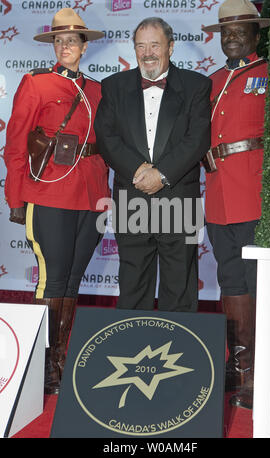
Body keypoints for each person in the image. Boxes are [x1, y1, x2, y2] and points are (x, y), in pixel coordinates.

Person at [4, 8, 110, 394]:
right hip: (48, 191)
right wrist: (16, 197)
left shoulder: (98, 90)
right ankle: (44, 365)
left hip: (91, 195)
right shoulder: (35, 84)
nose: (66, 46)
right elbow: (16, 144)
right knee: (52, 279)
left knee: (73, 279)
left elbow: (105, 146)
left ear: (84, 46)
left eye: (73, 40)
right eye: (59, 40)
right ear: (54, 46)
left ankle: (61, 359)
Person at [94, 17, 211, 313]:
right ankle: (132, 352)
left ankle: (181, 354)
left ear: (170, 47)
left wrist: (161, 174)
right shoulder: (113, 86)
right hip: (131, 197)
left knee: (180, 287)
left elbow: (197, 139)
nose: (148, 52)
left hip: (180, 198)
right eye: (140, 45)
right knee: (133, 285)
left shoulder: (197, 86)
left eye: (155, 45)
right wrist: (138, 171)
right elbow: (107, 138)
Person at [202, 0, 270, 409]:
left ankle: (259, 371)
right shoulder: (210, 81)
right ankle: (239, 366)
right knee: (230, 282)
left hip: (254, 192)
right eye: (226, 32)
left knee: (255, 282)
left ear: (256, 35)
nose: (232, 38)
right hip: (218, 196)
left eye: (240, 31)